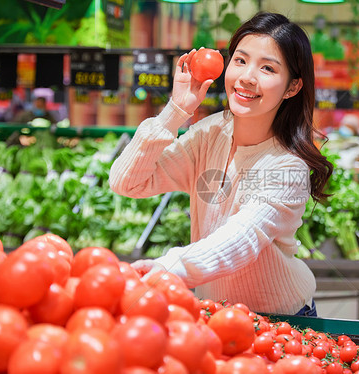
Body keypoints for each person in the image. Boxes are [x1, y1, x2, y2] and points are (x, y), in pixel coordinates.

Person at [109, 12, 333, 316]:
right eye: (240, 61)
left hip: (283, 320)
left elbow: (240, 238)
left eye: (267, 67)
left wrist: (170, 266)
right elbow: (127, 182)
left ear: (292, 87)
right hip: (217, 314)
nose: (247, 77)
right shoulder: (209, 134)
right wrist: (176, 111)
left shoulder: (287, 168)